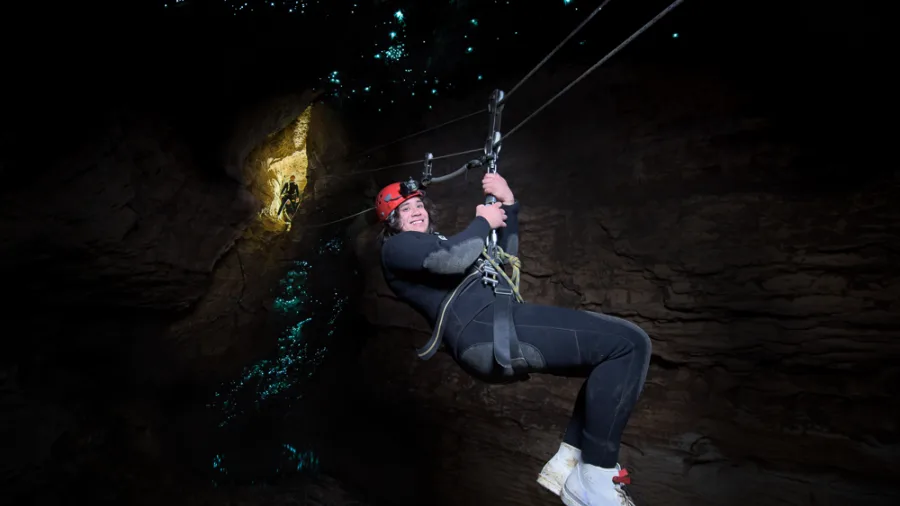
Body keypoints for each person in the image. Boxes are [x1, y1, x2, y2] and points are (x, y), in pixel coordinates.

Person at [377, 173, 651, 506]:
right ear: (392, 222)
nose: (416, 212)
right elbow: (452, 259)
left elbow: (505, 261)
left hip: (496, 325)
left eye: (419, 205)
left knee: (611, 357)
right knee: (628, 344)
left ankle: (570, 462)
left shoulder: (435, 242)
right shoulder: (396, 247)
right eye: (405, 210)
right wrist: (482, 221)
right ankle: (595, 474)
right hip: (484, 329)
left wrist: (509, 205)